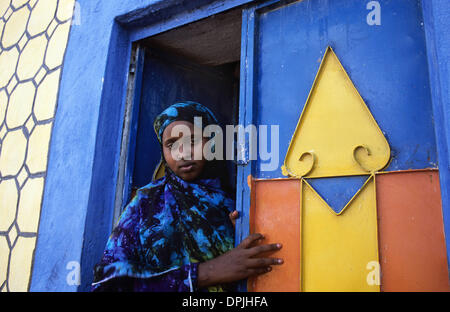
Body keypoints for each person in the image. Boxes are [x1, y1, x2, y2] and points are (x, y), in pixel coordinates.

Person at [92, 101, 283, 292]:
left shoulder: (239, 202)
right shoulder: (145, 203)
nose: (182, 154)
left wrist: (239, 234)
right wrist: (203, 274)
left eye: (193, 141)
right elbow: (107, 285)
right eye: (171, 144)